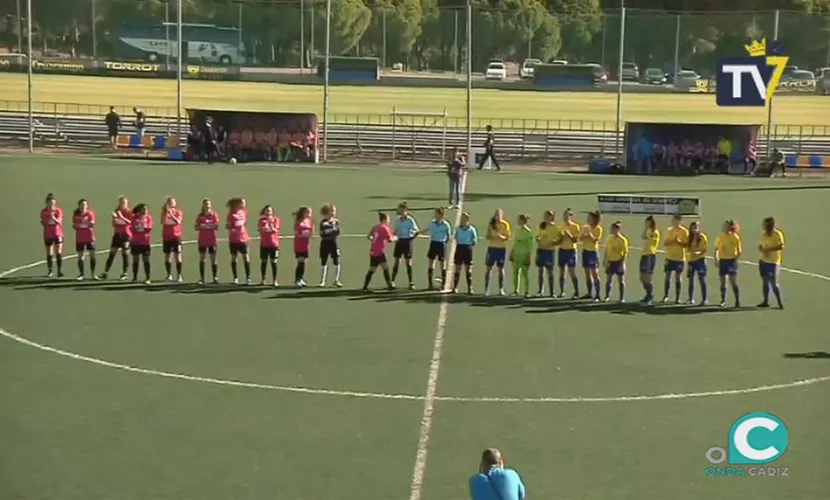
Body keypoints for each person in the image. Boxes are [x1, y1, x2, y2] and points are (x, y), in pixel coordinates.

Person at [98, 196, 132, 280]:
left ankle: (125, 273)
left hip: (126, 235)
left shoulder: (130, 212)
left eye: (124, 203)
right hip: (117, 235)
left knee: (125, 254)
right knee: (112, 254)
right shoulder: (116, 211)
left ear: (127, 204)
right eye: (121, 203)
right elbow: (114, 224)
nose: (122, 204)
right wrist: (114, 218)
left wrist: (120, 217)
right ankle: (105, 272)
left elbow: (130, 223)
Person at [363, 212, 397, 292]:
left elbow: (369, 236)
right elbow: (390, 239)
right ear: (385, 219)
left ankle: (365, 286)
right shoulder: (385, 228)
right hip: (380, 252)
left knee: (372, 269)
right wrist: (396, 237)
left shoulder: (375, 227)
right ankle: (389, 285)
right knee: (385, 268)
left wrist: (374, 239)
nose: (389, 221)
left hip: (373, 251)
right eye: (388, 219)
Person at [758, 217, 785, 309]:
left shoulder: (777, 234)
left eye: (765, 224)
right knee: (765, 282)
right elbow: (761, 246)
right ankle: (765, 301)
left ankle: (780, 303)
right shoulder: (763, 235)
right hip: (763, 261)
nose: (763, 226)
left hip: (773, 262)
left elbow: (781, 246)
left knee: (774, 283)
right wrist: (761, 249)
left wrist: (768, 250)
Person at [422, 207, 452, 290]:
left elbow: (448, 236)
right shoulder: (432, 223)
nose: (435, 215)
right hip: (433, 243)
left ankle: (443, 284)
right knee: (431, 263)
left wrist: (444, 242)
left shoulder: (446, 225)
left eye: (436, 214)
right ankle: (430, 284)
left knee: (442, 265)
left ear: (441, 215)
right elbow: (427, 229)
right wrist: (418, 232)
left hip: (441, 244)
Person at [661, 214, 689, 303]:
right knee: (667, 276)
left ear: (679, 221)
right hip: (669, 257)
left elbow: (686, 245)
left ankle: (677, 297)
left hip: (679, 258)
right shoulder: (670, 230)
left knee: (678, 277)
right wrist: (672, 240)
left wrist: (679, 242)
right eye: (673, 220)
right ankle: (666, 296)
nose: (673, 222)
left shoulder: (684, 231)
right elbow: (665, 242)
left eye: (675, 220)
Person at [392, 202, 419, 290]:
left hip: (407, 241)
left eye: (400, 209)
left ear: (405, 210)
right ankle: (392, 281)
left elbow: (416, 230)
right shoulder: (398, 220)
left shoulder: (410, 220)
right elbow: (395, 231)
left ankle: (411, 282)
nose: (398, 210)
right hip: (399, 242)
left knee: (408, 263)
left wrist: (411, 238)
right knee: (397, 261)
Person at [715, 219, 742, 308]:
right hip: (723, 261)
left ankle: (737, 300)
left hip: (731, 261)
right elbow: (716, 249)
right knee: (723, 282)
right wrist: (716, 259)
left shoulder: (735, 237)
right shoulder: (721, 237)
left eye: (725, 226)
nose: (723, 227)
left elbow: (739, 251)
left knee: (733, 282)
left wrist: (735, 260)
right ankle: (723, 300)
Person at [484, 208, 511, 296]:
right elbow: (487, 236)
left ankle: (501, 289)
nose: (497, 217)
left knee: (501, 269)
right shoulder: (491, 224)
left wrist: (499, 236)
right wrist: (491, 236)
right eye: (496, 215)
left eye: (498, 215)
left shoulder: (505, 224)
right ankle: (486, 289)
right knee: (489, 268)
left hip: (501, 249)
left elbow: (507, 238)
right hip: (492, 248)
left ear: (501, 215)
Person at [535, 210, 560, 297]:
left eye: (547, 216)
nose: (545, 218)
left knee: (550, 272)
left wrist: (554, 243)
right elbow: (538, 235)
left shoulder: (555, 227)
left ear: (551, 217)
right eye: (544, 216)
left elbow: (560, 238)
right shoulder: (542, 226)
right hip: (541, 250)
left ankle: (552, 292)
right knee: (540, 271)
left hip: (549, 251)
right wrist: (538, 238)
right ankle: (540, 291)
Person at [194, 198, 220, 285]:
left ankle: (215, 277)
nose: (207, 205)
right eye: (206, 204)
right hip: (202, 240)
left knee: (213, 259)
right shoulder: (200, 216)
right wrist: (204, 226)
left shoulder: (214, 215)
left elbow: (216, 226)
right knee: (202, 259)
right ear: (203, 205)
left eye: (209, 204)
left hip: (212, 240)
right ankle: (202, 278)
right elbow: (196, 227)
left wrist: (208, 225)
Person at [226, 197, 251, 285]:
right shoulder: (230, 214)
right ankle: (235, 277)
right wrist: (233, 227)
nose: (243, 205)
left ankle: (248, 277)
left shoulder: (243, 212)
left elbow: (244, 222)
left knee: (246, 257)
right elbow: (228, 226)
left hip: (243, 239)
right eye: (241, 203)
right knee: (234, 258)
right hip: (233, 240)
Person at [557, 208, 581, 298]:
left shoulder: (575, 226)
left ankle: (576, 292)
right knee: (562, 272)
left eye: (567, 215)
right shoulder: (561, 226)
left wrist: (568, 234)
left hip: (571, 251)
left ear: (571, 216)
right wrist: (561, 237)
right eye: (564, 215)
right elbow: (559, 240)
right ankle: (562, 291)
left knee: (572, 272)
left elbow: (575, 240)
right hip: (562, 250)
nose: (565, 217)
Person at [579, 211, 603, 301]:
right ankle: (589, 293)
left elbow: (595, 240)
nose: (587, 220)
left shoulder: (599, 229)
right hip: (586, 251)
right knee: (587, 273)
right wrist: (585, 236)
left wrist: (590, 235)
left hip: (593, 252)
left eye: (589, 218)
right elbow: (581, 238)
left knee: (595, 273)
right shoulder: (585, 227)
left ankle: (597, 295)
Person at [603, 221, 628, 302]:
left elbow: (625, 252)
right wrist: (605, 260)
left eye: (613, 229)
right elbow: (607, 249)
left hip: (618, 262)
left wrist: (623, 263)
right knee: (608, 280)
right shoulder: (609, 238)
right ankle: (607, 296)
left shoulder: (623, 240)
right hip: (610, 261)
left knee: (621, 281)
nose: (612, 230)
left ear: (618, 229)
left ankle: (621, 298)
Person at [72, 199, 97, 281]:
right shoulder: (76, 215)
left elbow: (92, 224)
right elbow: (74, 226)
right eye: (82, 205)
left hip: (89, 237)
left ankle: (93, 274)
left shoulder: (90, 214)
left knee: (92, 255)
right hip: (80, 238)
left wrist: (81, 224)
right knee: (80, 256)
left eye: (85, 205)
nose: (83, 207)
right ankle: (81, 274)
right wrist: (84, 224)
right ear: (79, 206)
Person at [40, 193, 64, 278]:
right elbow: (43, 222)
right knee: (49, 252)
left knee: (58, 252)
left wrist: (53, 217)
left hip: (57, 233)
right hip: (48, 234)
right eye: (50, 203)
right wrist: (48, 220)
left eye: (53, 203)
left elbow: (59, 222)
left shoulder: (58, 211)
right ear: (46, 203)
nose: (51, 205)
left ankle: (59, 270)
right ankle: (50, 270)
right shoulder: (43, 211)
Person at [453, 212, 478, 294]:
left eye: (466, 218)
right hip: (459, 248)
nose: (464, 220)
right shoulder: (458, 229)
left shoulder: (471, 229)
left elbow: (474, 240)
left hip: (467, 249)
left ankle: (470, 288)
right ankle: (455, 287)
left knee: (468, 269)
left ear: (468, 220)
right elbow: (455, 238)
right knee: (458, 268)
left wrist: (470, 244)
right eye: (463, 218)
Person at [318, 203, 342, 287]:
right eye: (332, 211)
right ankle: (322, 280)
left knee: (336, 260)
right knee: (324, 261)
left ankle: (336, 280)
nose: (333, 213)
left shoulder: (336, 222)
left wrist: (334, 231)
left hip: (333, 243)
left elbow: (337, 232)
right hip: (325, 243)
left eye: (334, 211)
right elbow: (322, 233)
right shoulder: (323, 222)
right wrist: (331, 231)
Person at [161, 197, 184, 282]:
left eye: (172, 202)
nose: (171, 204)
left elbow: (178, 221)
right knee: (167, 256)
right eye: (169, 202)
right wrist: (166, 213)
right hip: (167, 237)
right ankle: (169, 274)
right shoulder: (164, 213)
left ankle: (179, 275)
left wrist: (171, 214)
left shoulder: (178, 212)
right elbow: (162, 221)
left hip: (176, 237)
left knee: (178, 256)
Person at [510, 214, 534, 297]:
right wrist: (512, 252)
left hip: (524, 255)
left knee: (525, 274)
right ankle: (516, 290)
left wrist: (528, 256)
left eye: (519, 220)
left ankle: (526, 291)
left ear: (523, 221)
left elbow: (530, 246)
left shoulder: (528, 232)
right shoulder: (517, 230)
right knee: (515, 273)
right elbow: (515, 242)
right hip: (517, 254)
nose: (517, 221)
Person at [129, 203, 153, 284]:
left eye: (146, 209)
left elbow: (148, 229)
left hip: (145, 242)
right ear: (140, 210)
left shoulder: (148, 218)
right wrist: (141, 228)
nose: (146, 211)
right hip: (135, 242)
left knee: (146, 260)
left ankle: (148, 278)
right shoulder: (134, 218)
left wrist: (139, 228)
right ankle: (135, 277)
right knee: (135, 260)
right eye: (144, 209)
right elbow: (132, 228)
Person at [686, 221, 709, 305]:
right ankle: (691, 299)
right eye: (693, 228)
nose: (694, 230)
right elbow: (687, 248)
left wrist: (698, 253)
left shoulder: (702, 237)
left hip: (700, 261)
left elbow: (705, 249)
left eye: (696, 228)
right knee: (691, 280)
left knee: (702, 280)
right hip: (691, 261)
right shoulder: (689, 237)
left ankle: (704, 299)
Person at [638, 216, 660, 305]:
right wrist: (646, 228)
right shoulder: (649, 231)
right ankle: (648, 294)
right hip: (644, 255)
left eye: (647, 222)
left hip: (650, 255)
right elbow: (643, 236)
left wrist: (648, 229)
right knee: (641, 277)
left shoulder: (655, 232)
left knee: (647, 277)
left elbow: (651, 240)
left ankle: (649, 296)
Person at [258, 205, 281, 287]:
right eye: (267, 211)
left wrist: (270, 225)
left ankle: (275, 280)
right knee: (264, 262)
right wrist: (265, 227)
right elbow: (261, 231)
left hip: (274, 245)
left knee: (273, 262)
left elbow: (275, 230)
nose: (268, 212)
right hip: (264, 244)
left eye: (269, 211)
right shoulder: (261, 220)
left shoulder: (276, 220)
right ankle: (263, 279)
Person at [293, 206, 313, 288]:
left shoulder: (309, 221)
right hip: (299, 243)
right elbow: (297, 232)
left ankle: (301, 278)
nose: (310, 214)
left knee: (303, 262)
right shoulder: (299, 221)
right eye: (308, 213)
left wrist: (309, 233)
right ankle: (297, 279)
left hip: (306, 244)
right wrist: (304, 233)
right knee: (300, 261)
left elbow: (311, 231)